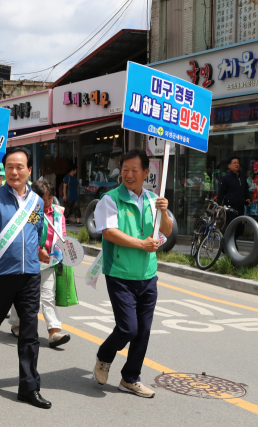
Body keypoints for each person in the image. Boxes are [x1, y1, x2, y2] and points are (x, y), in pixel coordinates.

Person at [0, 146, 51, 409]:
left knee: (30, 334)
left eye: (20, 167)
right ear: (4, 170)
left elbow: (36, 229)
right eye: (9, 167)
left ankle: (29, 387)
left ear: (29, 170)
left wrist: (40, 249)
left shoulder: (36, 202)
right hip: (0, 275)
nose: (14, 172)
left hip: (29, 277)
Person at [92, 149, 172, 399]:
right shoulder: (110, 199)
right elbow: (109, 232)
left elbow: (166, 231)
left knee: (144, 331)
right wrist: (141, 244)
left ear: (146, 173)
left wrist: (164, 211)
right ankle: (105, 355)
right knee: (128, 329)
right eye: (124, 169)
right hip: (120, 273)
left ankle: (130, 378)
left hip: (148, 274)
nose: (128, 174)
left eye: (134, 170)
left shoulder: (152, 200)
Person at [9, 180, 70, 348]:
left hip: (49, 262)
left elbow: (62, 234)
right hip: (28, 260)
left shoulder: (57, 213)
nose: (47, 202)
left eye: (50, 198)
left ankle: (54, 332)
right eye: (44, 199)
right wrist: (38, 250)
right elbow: (24, 235)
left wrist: (60, 250)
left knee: (48, 295)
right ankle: (15, 323)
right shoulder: (29, 212)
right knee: (23, 295)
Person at [217, 156, 250, 243]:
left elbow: (246, 188)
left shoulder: (242, 177)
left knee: (240, 228)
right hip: (230, 207)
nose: (236, 164)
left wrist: (248, 198)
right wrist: (219, 205)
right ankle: (231, 247)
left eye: (238, 163)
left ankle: (226, 244)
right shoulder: (226, 178)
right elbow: (221, 192)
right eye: (234, 163)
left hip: (241, 207)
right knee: (232, 228)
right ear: (229, 165)